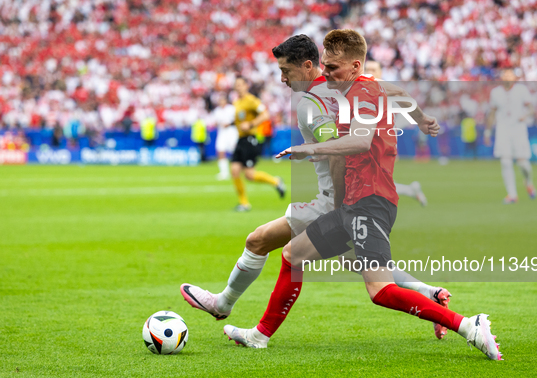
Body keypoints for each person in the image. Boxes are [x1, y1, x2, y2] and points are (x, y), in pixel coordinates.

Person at [223, 30, 502, 361]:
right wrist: (422, 118)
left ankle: (470, 326)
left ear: (355, 66)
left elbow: (360, 142)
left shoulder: (363, 95)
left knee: (380, 290)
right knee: (292, 254)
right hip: (355, 201)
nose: (325, 74)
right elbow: (398, 91)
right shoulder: (366, 86)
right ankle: (259, 335)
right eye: (324, 66)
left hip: (369, 201)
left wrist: (308, 147)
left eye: (333, 68)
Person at [181, 34, 453, 343]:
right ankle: (431, 293)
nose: (282, 79)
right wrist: (423, 118)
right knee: (362, 265)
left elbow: (337, 151)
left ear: (308, 65)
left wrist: (340, 208)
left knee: (260, 242)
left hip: (335, 202)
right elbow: (395, 91)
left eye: (286, 71)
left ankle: (228, 308)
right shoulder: (348, 85)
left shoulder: (311, 104)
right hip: (362, 196)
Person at [365, 60, 428, 206]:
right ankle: (411, 190)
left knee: (373, 183)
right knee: (374, 183)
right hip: (366, 141)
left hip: (379, 143)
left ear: (381, 73)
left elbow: (396, 119)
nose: (370, 72)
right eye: (367, 69)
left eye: (373, 70)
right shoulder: (361, 90)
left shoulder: (388, 91)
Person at [230, 76, 286, 211]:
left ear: (246, 86)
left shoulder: (252, 101)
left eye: (240, 85)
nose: (238, 87)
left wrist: (251, 124)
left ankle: (276, 181)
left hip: (250, 139)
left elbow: (265, 115)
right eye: (236, 85)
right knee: (234, 170)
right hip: (240, 139)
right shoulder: (237, 102)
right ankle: (244, 203)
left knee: (249, 175)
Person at [485, 69, 537, 204]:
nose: (507, 77)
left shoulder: (521, 90)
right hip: (503, 130)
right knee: (505, 161)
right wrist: (487, 132)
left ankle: (528, 181)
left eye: (510, 75)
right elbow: (492, 113)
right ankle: (512, 195)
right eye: (505, 75)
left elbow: (531, 108)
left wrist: (525, 115)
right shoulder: (495, 92)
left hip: (518, 129)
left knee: (523, 163)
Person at [211, 94, 238, 180]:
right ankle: (224, 172)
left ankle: (238, 170)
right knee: (220, 151)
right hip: (222, 132)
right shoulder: (217, 111)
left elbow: (237, 120)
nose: (221, 102)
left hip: (231, 131)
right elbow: (215, 121)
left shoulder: (231, 109)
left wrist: (229, 124)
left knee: (235, 151)